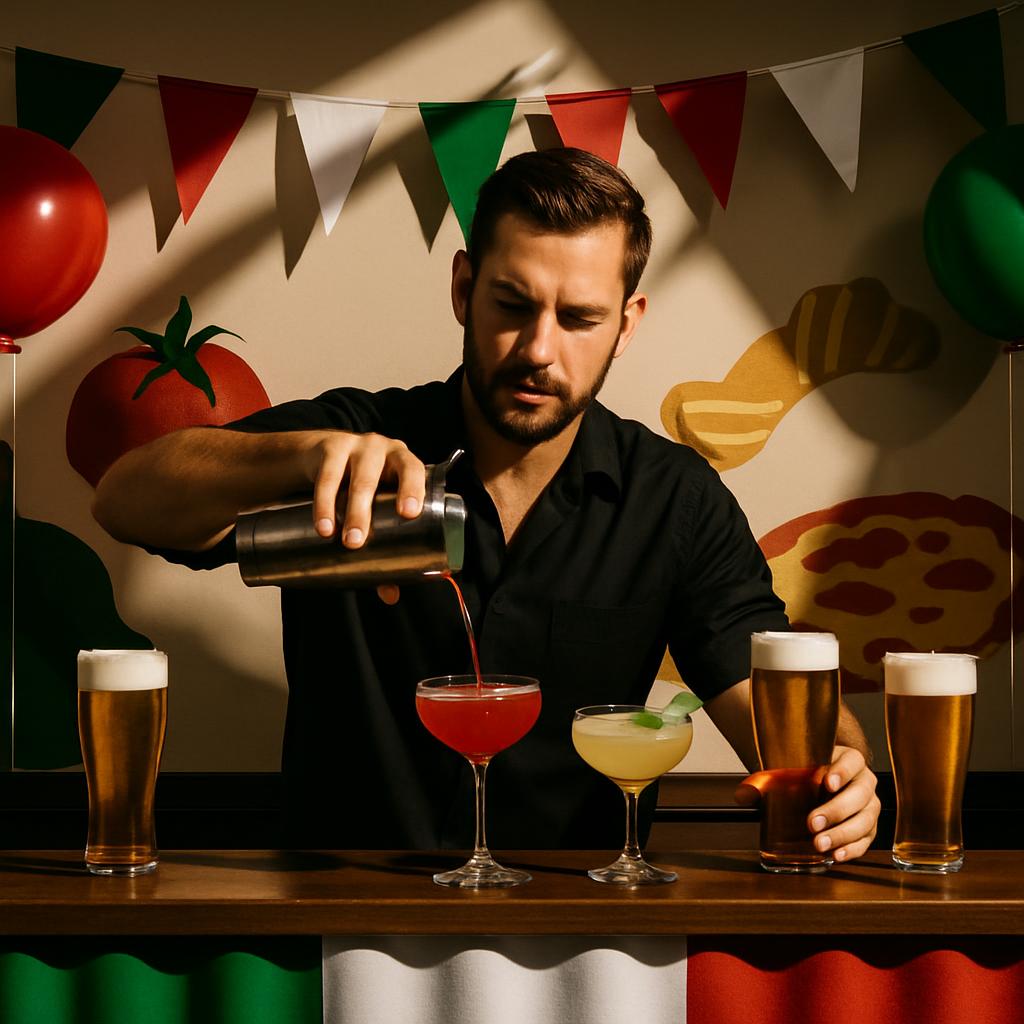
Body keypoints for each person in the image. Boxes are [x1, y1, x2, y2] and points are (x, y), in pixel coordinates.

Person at [93, 148, 880, 857]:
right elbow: (125, 499)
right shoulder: (355, 442)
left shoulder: (673, 500)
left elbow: (779, 719)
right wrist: (300, 454)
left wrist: (843, 775)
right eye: (513, 304)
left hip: (576, 919)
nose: (540, 349)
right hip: (341, 904)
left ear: (626, 327)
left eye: (579, 319)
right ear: (465, 289)